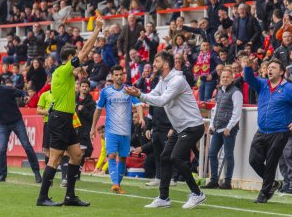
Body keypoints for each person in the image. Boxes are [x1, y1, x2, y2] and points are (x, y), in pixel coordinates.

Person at [125, 51, 206, 209]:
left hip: (192, 126)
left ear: (166, 64)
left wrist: (140, 95)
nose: (153, 64)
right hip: (179, 128)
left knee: (176, 158)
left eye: (157, 61)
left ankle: (197, 194)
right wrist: (139, 95)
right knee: (164, 157)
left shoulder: (177, 80)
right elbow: (153, 96)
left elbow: (161, 101)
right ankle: (164, 198)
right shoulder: (163, 81)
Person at [36, 17, 104, 207]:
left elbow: (82, 57)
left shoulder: (64, 73)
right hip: (59, 119)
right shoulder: (64, 70)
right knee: (55, 158)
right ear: (70, 59)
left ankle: (70, 197)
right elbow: (85, 51)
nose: (81, 65)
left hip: (65, 119)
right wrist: (97, 29)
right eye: (77, 60)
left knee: (76, 155)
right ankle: (42, 198)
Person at [243, 58, 292, 203]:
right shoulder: (262, 84)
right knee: (253, 160)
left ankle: (264, 194)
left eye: (273, 67)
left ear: (281, 72)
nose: (270, 70)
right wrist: (248, 67)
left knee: (272, 162)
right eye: (268, 67)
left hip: (280, 131)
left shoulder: (289, 89)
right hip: (262, 130)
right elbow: (248, 78)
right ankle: (272, 183)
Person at [91, 65, 145, 194]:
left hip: (125, 131)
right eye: (116, 74)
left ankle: (118, 185)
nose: (119, 76)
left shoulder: (129, 90)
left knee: (122, 158)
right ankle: (115, 183)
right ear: (112, 76)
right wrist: (93, 127)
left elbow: (138, 105)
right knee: (111, 155)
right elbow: (98, 110)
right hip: (111, 130)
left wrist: (141, 118)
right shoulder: (106, 92)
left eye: (121, 74)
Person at [202, 68, 243, 190]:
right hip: (218, 128)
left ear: (232, 78)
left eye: (227, 77)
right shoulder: (220, 91)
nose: (225, 79)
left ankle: (227, 181)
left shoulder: (236, 92)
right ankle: (214, 180)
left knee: (229, 155)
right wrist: (212, 125)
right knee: (212, 153)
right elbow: (216, 109)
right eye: (223, 77)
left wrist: (229, 127)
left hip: (228, 129)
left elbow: (237, 112)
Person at [37, 89, 54, 165]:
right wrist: (47, 112)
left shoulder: (62, 94)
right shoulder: (45, 95)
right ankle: (48, 166)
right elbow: (38, 111)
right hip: (48, 123)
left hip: (60, 123)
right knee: (46, 147)